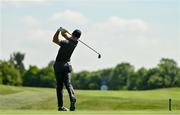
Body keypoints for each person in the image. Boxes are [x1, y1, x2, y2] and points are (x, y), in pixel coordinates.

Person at [52, 27, 81, 111]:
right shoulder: (75, 42)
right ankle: (72, 97)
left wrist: (58, 31)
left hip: (58, 65)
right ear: (78, 37)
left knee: (59, 86)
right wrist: (64, 31)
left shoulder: (66, 43)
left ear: (72, 34)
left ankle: (60, 107)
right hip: (67, 65)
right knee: (68, 84)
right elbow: (65, 35)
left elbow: (54, 40)